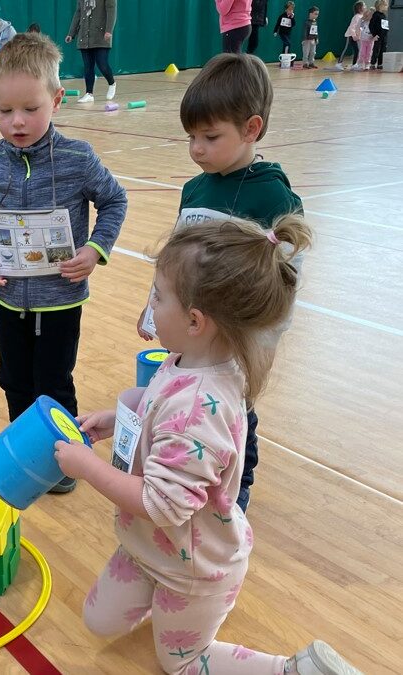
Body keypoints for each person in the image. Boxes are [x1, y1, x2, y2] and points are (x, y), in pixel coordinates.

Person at [55, 216, 362, 675]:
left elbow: (162, 503)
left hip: (194, 569)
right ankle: (170, 610)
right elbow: (163, 402)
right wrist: (120, 417)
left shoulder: (204, 408)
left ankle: (293, 669)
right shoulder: (192, 359)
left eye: (157, 297)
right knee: (98, 621)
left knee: (181, 665)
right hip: (148, 546)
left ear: (196, 321)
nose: (150, 307)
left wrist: (87, 467)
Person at [135, 53, 303, 513]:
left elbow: (284, 277)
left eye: (210, 137)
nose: (197, 149)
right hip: (192, 331)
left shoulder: (272, 195)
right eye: (192, 137)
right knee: (185, 400)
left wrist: (261, 339)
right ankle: (181, 466)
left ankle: (234, 490)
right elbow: (176, 260)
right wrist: (154, 304)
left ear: (251, 128)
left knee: (232, 414)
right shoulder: (196, 188)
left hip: (238, 340)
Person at [0, 33, 128, 493]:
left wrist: (95, 250)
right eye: (4, 111)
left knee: (53, 383)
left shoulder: (78, 158)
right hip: (9, 297)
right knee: (14, 379)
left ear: (56, 100)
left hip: (60, 301)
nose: (17, 121)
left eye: (30, 109)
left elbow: (114, 201)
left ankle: (64, 464)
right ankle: (26, 458)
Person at [65, 0, 117, 102]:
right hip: (85, 36)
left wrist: (109, 30)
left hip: (101, 35)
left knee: (102, 63)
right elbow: (78, 13)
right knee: (88, 66)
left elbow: (111, 10)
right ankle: (89, 93)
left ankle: (112, 83)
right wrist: (71, 33)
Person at [334, 2, 366, 69]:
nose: (365, 7)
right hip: (350, 36)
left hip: (356, 37)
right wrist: (354, 35)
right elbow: (352, 27)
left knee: (357, 50)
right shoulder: (356, 17)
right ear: (360, 8)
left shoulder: (362, 17)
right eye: (364, 6)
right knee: (345, 49)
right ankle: (339, 64)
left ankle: (354, 64)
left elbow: (361, 28)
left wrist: (359, 36)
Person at [369, 0, 389, 70]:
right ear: (381, 6)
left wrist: (386, 34)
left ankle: (380, 64)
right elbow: (371, 26)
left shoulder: (384, 15)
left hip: (384, 36)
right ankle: (372, 63)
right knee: (376, 50)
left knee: (383, 50)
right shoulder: (376, 15)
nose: (387, 7)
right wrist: (374, 35)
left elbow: (385, 26)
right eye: (386, 5)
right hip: (378, 36)